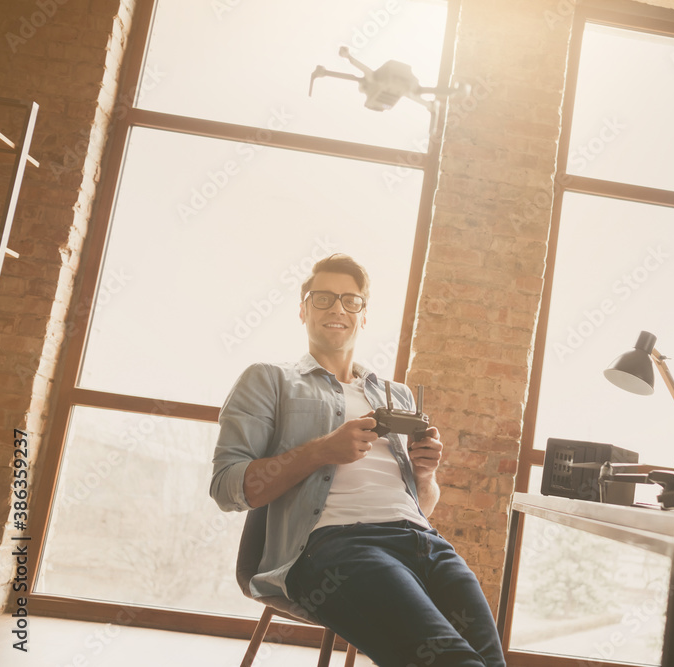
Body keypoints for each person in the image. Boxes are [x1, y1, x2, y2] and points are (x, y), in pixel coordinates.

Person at [210, 253, 505, 667]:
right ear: (302, 310)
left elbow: (424, 504)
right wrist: (322, 451)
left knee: (491, 661)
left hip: (425, 543)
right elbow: (228, 488)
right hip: (336, 547)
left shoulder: (395, 394)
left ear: (363, 316)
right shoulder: (269, 380)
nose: (338, 309)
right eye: (323, 298)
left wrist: (425, 472)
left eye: (351, 301)